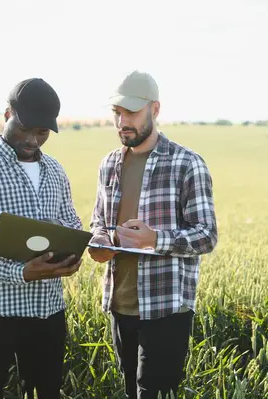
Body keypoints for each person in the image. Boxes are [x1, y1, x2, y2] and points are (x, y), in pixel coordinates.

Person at [88, 70, 218, 398]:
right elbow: (99, 223)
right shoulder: (109, 165)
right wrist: (99, 243)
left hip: (165, 308)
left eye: (131, 112)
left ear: (155, 110)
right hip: (121, 303)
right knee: (132, 391)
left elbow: (206, 235)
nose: (122, 122)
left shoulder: (187, 164)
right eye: (117, 113)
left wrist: (154, 239)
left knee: (154, 392)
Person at [0, 77, 83, 399]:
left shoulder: (55, 170)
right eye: (25, 129)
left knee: (46, 393)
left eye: (42, 133)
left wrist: (71, 256)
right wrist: (20, 272)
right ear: (8, 114)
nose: (33, 140)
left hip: (48, 308)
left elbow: (71, 221)